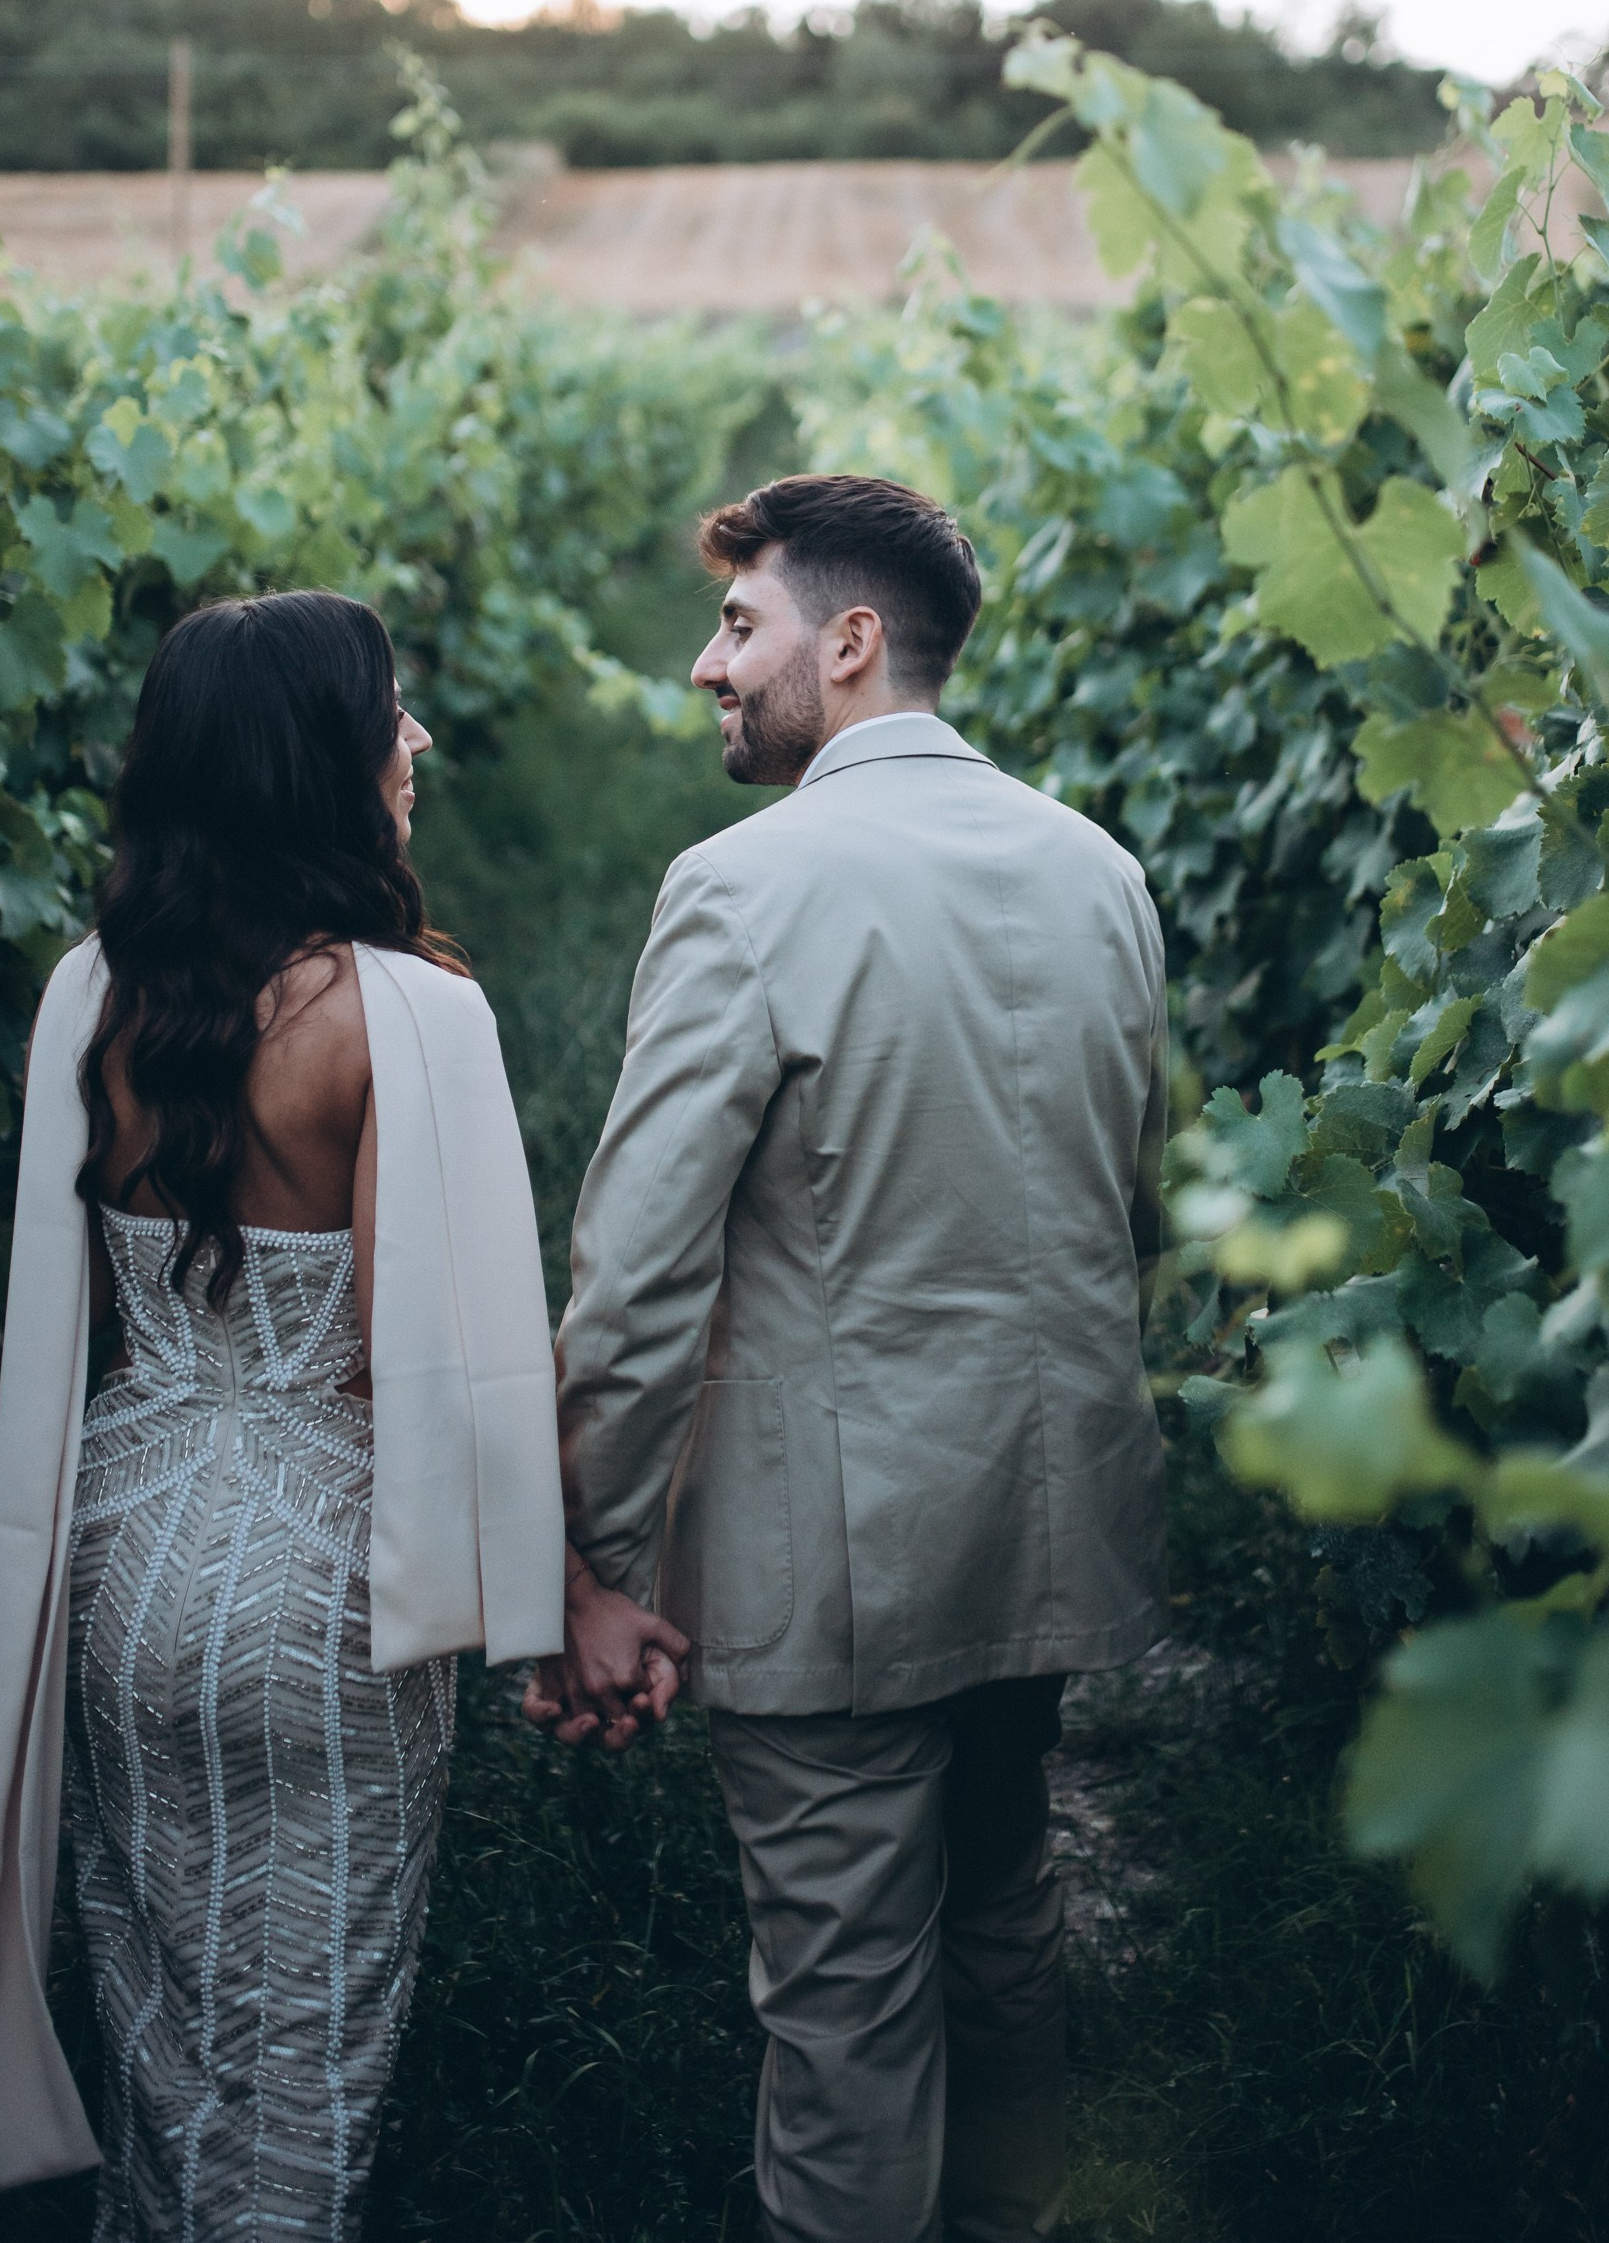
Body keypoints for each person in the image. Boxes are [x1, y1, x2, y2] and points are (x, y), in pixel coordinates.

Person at [0, 589, 682, 2237]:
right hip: (322, 1579)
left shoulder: (91, 994)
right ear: (314, 760)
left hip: (124, 1546)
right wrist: (563, 1600)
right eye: (391, 713)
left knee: (158, 2012)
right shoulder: (408, 1015)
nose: (414, 741)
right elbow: (455, 1357)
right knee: (304, 2044)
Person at [534, 475, 1170, 2243]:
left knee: (841, 2006)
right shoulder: (1101, 872)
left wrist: (589, 1564)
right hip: (1042, 1525)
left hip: (839, 1556)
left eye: (741, 625)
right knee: (1003, 1911)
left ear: (854, 640)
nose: (703, 666)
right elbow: (1132, 1199)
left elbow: (642, 1274)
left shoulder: (743, 888)